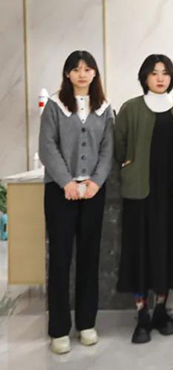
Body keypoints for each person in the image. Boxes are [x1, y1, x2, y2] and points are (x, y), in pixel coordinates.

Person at [39, 50, 114, 354]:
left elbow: (108, 149)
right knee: (60, 259)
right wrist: (67, 183)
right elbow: (48, 147)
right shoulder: (55, 106)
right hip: (61, 192)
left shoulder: (105, 108)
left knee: (89, 256)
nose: (82, 74)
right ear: (67, 74)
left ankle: (86, 323)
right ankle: (58, 329)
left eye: (87, 69)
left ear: (95, 73)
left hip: (93, 191)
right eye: (76, 69)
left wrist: (95, 181)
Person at [115, 54, 173, 344]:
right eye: (154, 73)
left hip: (171, 193)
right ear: (145, 76)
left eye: (165, 73)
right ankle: (141, 313)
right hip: (140, 193)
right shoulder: (131, 108)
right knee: (140, 251)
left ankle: (161, 310)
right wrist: (130, 167)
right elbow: (119, 145)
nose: (160, 78)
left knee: (165, 250)